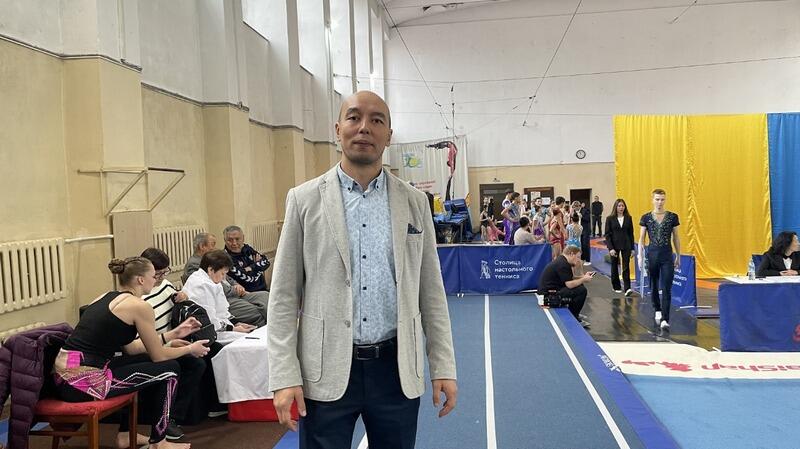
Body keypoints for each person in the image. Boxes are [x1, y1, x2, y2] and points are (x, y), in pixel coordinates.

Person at [267, 90, 457, 449]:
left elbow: (431, 292)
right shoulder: (304, 200)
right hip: (326, 369)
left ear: (389, 135)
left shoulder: (415, 203)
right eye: (354, 117)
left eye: (377, 120)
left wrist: (443, 365)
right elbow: (283, 298)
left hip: (396, 369)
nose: (364, 127)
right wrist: (283, 374)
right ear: (338, 129)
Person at [53, 257, 210, 449]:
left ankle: (126, 435)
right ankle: (159, 441)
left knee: (142, 361)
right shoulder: (139, 306)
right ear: (141, 280)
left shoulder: (106, 297)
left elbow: (130, 348)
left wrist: (173, 334)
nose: (156, 280)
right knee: (170, 369)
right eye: (153, 276)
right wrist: (190, 348)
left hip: (65, 377)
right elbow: (159, 356)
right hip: (80, 382)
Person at [184, 232, 268, 327]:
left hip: (233, 292)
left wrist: (236, 284)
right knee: (255, 312)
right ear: (202, 246)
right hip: (226, 297)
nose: (215, 248)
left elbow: (226, 276)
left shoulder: (212, 259)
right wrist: (236, 291)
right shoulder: (194, 265)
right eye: (213, 244)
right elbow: (215, 286)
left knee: (265, 296)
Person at [182, 249, 256, 333]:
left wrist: (237, 323)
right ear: (211, 270)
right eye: (222, 274)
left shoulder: (211, 279)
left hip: (220, 326)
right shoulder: (202, 285)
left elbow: (222, 310)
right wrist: (234, 329)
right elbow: (210, 321)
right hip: (209, 331)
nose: (223, 278)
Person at [638, 189, 681, 331]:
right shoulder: (646, 218)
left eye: (662, 199)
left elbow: (676, 237)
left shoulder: (672, 217)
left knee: (667, 287)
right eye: (657, 199)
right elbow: (641, 238)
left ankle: (665, 318)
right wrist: (640, 256)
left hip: (667, 255)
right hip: (652, 255)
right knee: (654, 284)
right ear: (652, 200)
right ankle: (657, 307)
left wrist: (678, 255)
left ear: (665, 200)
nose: (660, 202)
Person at [538, 245, 592, 327]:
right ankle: (574, 316)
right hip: (547, 297)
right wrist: (584, 279)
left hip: (548, 293)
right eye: (577, 257)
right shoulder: (563, 264)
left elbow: (569, 278)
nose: (578, 260)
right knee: (581, 290)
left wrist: (583, 277)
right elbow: (569, 285)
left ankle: (574, 313)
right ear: (571, 254)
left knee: (579, 285)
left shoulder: (562, 261)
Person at [223, 226, 270, 292]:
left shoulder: (247, 248)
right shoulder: (224, 257)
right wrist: (258, 266)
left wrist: (251, 267)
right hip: (247, 293)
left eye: (237, 239)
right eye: (230, 240)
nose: (234, 243)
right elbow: (247, 278)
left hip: (263, 288)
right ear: (225, 240)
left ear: (243, 238)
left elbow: (266, 262)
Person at [604, 199, 635, 295]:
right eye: (619, 206)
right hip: (614, 245)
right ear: (616, 207)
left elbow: (631, 234)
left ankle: (627, 288)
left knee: (626, 266)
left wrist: (632, 248)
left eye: (623, 206)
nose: (621, 207)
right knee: (614, 266)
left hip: (626, 245)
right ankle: (616, 286)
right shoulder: (610, 218)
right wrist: (610, 248)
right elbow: (607, 235)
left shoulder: (628, 218)